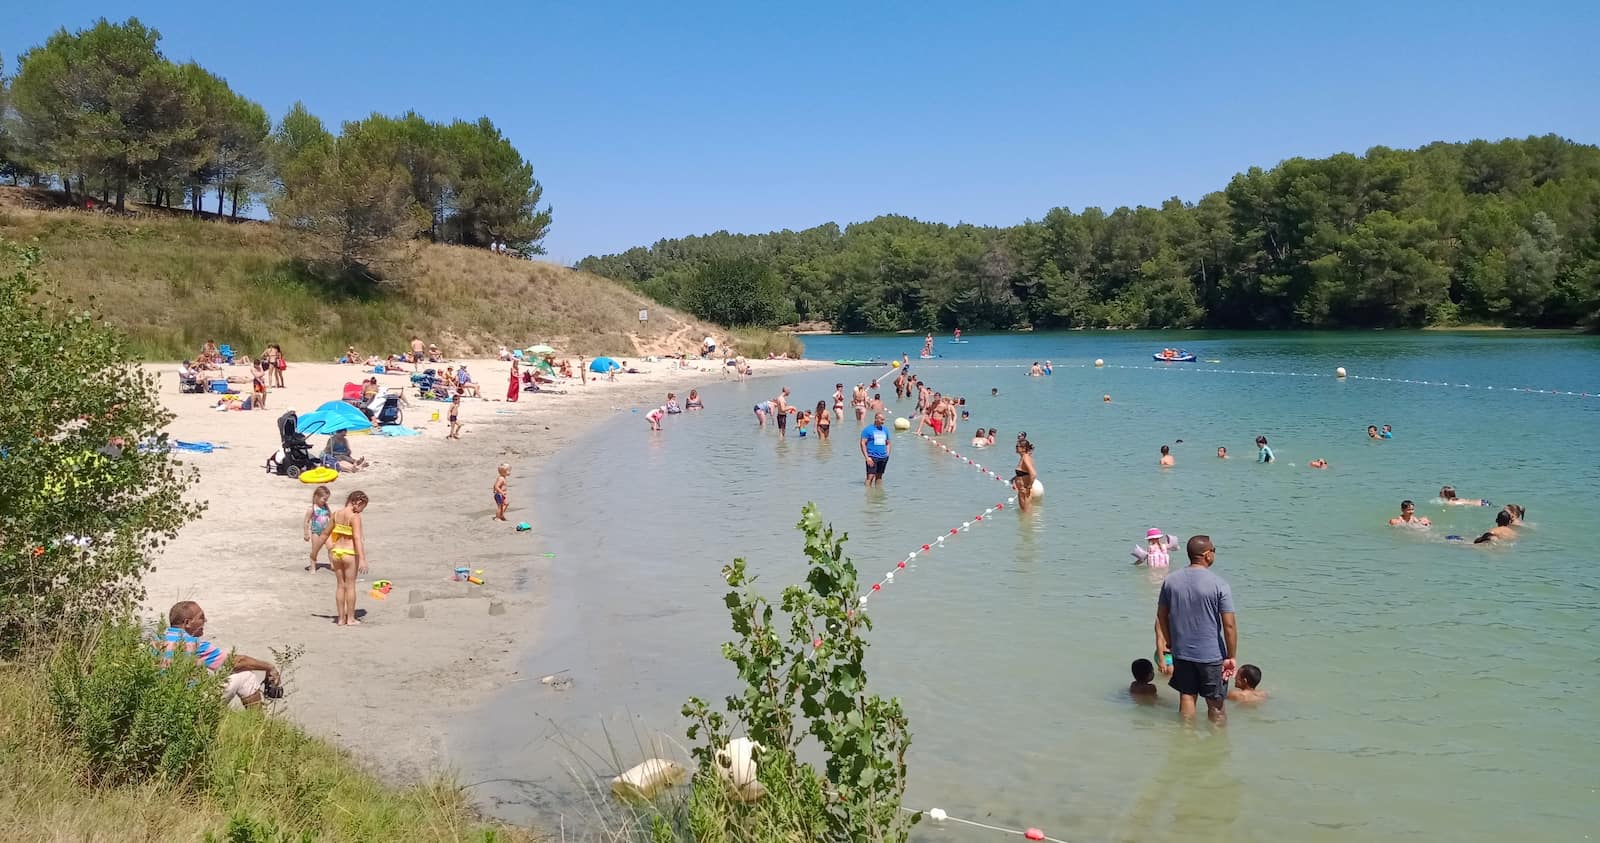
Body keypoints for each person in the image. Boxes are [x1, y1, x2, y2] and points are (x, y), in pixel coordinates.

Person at [1154, 535, 1237, 724]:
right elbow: (1229, 625)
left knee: (1187, 696)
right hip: (1211, 655)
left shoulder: (1171, 581)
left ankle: (1185, 741)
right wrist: (1231, 656)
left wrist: (1171, 644)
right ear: (1207, 555)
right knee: (1215, 704)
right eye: (1214, 550)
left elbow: (1161, 616)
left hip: (1182, 652)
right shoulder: (1219, 584)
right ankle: (1217, 747)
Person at [159, 601, 281, 708]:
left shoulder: (157, 640)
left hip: (162, 700)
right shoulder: (194, 644)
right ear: (187, 623)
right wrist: (269, 667)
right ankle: (257, 724)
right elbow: (237, 662)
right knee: (246, 676)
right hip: (190, 703)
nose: (205, 621)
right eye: (201, 617)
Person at [327, 491, 370, 626]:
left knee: (340, 586)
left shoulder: (336, 514)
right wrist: (362, 559)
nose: (361, 511)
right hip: (349, 553)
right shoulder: (354, 517)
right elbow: (357, 538)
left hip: (337, 552)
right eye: (363, 507)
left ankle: (340, 619)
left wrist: (315, 553)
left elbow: (325, 534)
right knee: (350, 587)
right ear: (358, 503)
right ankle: (350, 618)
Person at [303, 485, 332, 571]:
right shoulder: (312, 509)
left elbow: (331, 517)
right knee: (315, 549)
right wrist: (306, 533)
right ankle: (313, 566)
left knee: (331, 547)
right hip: (316, 532)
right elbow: (306, 521)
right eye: (324, 499)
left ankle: (333, 565)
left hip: (326, 531)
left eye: (327, 499)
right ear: (317, 497)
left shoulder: (326, 507)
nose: (326, 501)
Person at [861, 411, 891, 488]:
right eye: (881, 420)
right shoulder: (868, 430)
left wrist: (887, 454)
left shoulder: (885, 430)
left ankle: (878, 494)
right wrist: (867, 457)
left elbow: (888, 443)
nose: (883, 422)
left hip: (883, 457)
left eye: (884, 420)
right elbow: (862, 443)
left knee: (879, 477)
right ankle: (868, 494)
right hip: (872, 457)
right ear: (876, 419)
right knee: (870, 477)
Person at [1012, 435, 1037, 512]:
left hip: (1025, 491)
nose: (1016, 448)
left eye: (1017, 446)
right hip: (1021, 491)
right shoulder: (1023, 457)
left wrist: (1029, 487)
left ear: (1024, 448)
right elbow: (1023, 473)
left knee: (1027, 514)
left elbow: (1033, 474)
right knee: (1023, 514)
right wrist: (1014, 478)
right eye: (1016, 446)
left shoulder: (1025, 457)